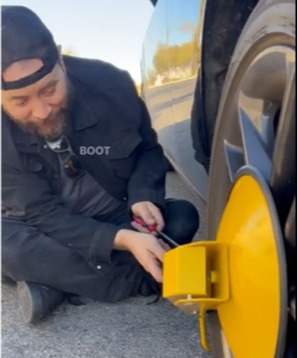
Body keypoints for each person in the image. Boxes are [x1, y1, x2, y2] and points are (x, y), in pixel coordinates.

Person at [1, 6, 199, 324]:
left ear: (62, 62)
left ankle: (56, 286)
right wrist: (122, 241)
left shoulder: (111, 84)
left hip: (115, 214)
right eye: (21, 102)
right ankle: (141, 279)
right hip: (44, 226)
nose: (40, 111)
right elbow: (41, 213)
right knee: (6, 247)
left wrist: (144, 197)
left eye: (49, 90)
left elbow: (148, 150)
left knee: (182, 218)